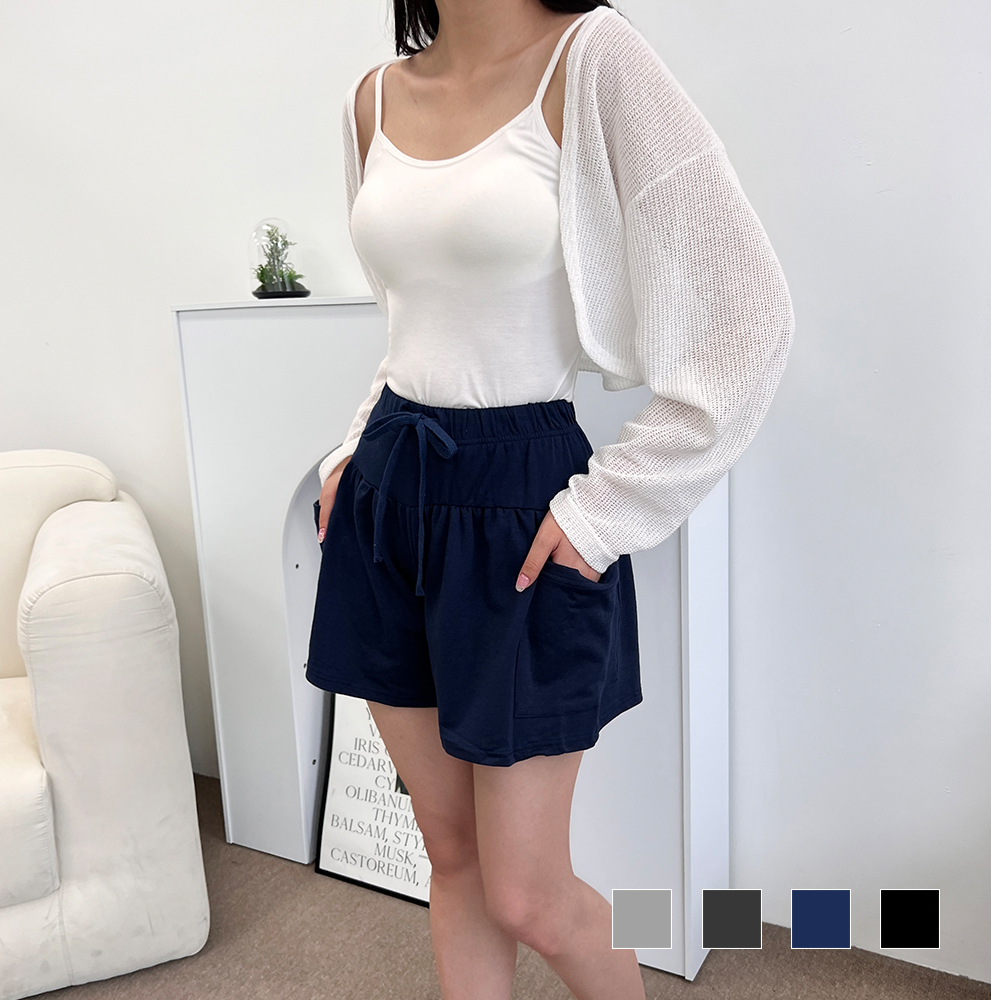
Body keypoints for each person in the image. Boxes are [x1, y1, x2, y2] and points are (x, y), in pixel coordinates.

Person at [306, 1, 794, 997]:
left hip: (521, 505)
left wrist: (605, 510)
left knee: (528, 891)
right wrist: (356, 443)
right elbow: (412, 318)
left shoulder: (594, 59)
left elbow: (749, 318)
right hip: (387, 492)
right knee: (451, 853)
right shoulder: (370, 100)